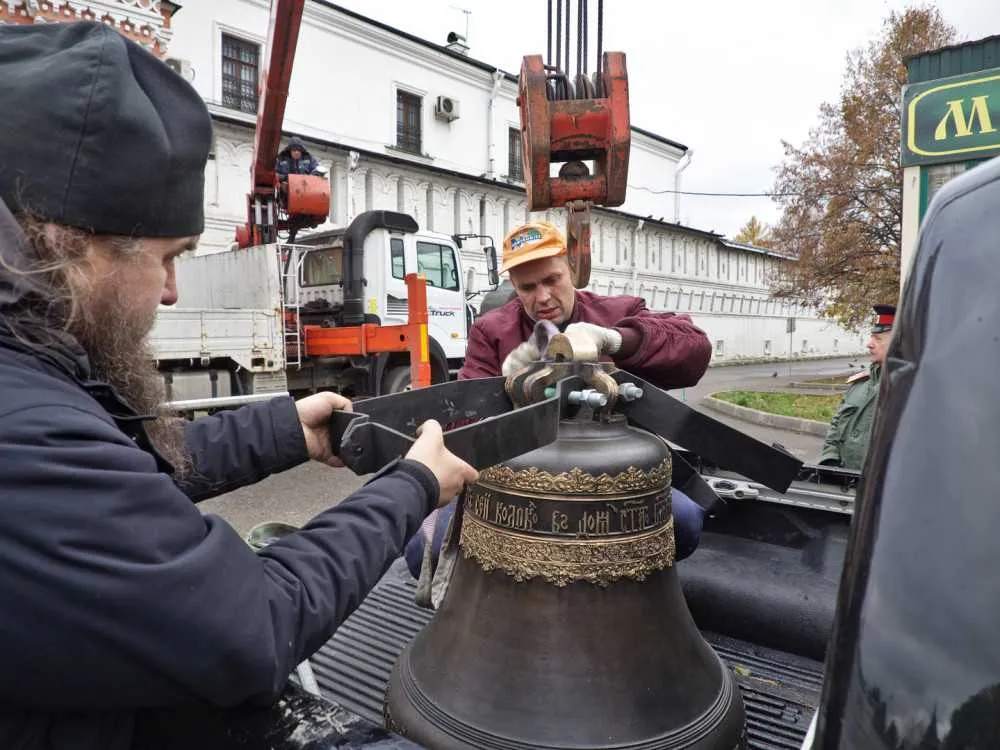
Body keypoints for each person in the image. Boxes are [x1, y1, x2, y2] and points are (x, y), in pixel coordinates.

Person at [0, 21, 478, 748]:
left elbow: (112, 467)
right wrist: (411, 486)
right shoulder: (18, 425)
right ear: (74, 244)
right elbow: (248, 625)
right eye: (169, 257)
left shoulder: (27, 363)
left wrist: (285, 429)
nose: (168, 291)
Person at [404, 220, 715, 585]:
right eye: (528, 287)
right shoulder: (492, 331)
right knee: (424, 551)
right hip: (518, 478)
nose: (543, 297)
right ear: (515, 288)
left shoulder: (617, 313)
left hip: (610, 475)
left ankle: (609, 585)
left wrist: (616, 340)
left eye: (552, 280)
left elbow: (695, 349)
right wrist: (507, 390)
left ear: (572, 270)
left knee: (685, 523)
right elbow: (463, 423)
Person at [819, 303, 895, 470]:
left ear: (898, 343)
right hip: (845, 483)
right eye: (871, 337)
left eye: (878, 339)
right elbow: (836, 423)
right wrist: (830, 459)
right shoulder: (861, 384)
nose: (869, 343)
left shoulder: (908, 390)